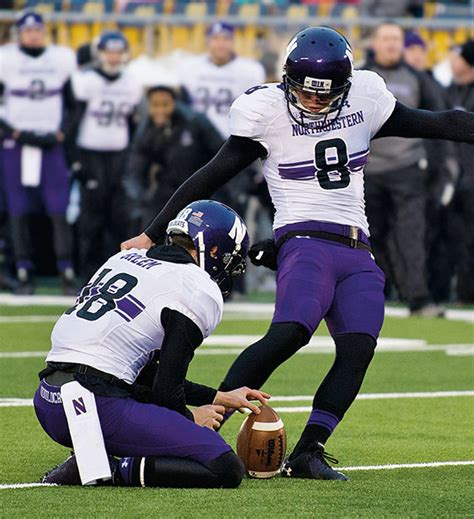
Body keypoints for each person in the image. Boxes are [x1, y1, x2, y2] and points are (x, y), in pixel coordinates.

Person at [122, 26, 474, 481]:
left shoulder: (367, 98)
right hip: (305, 241)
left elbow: (443, 122)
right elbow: (209, 175)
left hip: (357, 249)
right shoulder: (265, 112)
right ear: (287, 77)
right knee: (290, 333)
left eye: (324, 94)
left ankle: (310, 450)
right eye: (305, 91)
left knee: (358, 348)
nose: (312, 102)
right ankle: (202, 431)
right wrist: (152, 233)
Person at [35, 199, 268, 488]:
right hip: (96, 404)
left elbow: (136, 371)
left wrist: (218, 397)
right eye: (230, 258)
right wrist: (190, 416)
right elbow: (165, 390)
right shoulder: (196, 286)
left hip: (48, 400)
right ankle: (111, 468)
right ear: (215, 249)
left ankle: (99, 453)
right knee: (225, 466)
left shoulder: (124, 259)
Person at [363, 22, 448, 316]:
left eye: (396, 39)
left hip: (408, 170)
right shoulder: (359, 77)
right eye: (386, 39)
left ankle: (418, 299)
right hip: (366, 173)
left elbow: (439, 122)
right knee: (368, 239)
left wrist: (440, 171)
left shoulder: (417, 78)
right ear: (374, 42)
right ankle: (375, 294)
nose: (391, 45)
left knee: (411, 236)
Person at [0, 11, 77, 294]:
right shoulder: (6, 58)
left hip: (50, 144)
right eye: (27, 30)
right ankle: (23, 270)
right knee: (17, 210)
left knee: (58, 209)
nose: (33, 34)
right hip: (15, 143)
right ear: (19, 32)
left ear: (44, 32)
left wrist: (62, 133)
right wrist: (13, 131)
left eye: (37, 30)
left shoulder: (60, 59)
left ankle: (65, 270)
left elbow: (72, 103)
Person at [69, 31, 143, 282]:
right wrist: (75, 159)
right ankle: (86, 274)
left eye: (117, 51)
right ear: (99, 53)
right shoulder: (85, 80)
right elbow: (73, 120)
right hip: (90, 154)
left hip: (119, 155)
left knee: (119, 217)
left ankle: (116, 272)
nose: (113, 57)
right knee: (91, 218)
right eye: (108, 51)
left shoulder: (132, 82)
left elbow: (133, 124)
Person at [123, 85, 224, 230]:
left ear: (175, 103)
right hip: (165, 192)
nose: (160, 110)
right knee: (148, 232)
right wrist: (142, 198)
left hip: (199, 191)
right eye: (155, 105)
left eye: (165, 104)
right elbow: (135, 168)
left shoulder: (195, 121)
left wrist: (222, 194)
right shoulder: (147, 128)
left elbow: (221, 153)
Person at [445, 40, 474, 302]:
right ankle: (462, 292)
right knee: (455, 237)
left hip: (470, 178)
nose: (452, 62)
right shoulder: (449, 91)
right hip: (452, 179)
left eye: (457, 57)